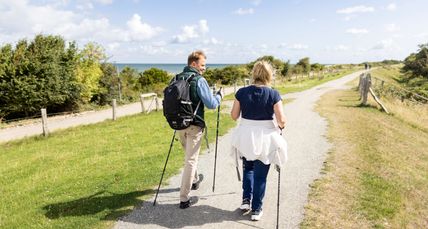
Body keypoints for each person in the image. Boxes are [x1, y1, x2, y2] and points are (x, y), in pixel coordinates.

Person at [230, 61, 287, 221]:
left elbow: (234, 116)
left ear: (254, 74)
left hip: (246, 135)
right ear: (269, 75)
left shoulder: (241, 92)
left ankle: (246, 200)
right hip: (265, 137)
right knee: (261, 175)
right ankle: (256, 209)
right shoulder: (274, 94)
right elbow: (281, 120)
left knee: (248, 168)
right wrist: (282, 125)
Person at [177, 50, 223, 209]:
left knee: (189, 156)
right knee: (191, 160)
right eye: (202, 65)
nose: (204, 68)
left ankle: (194, 180)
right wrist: (219, 96)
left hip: (178, 125)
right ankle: (184, 197)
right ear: (193, 64)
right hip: (194, 125)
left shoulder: (176, 78)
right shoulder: (199, 80)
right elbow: (211, 104)